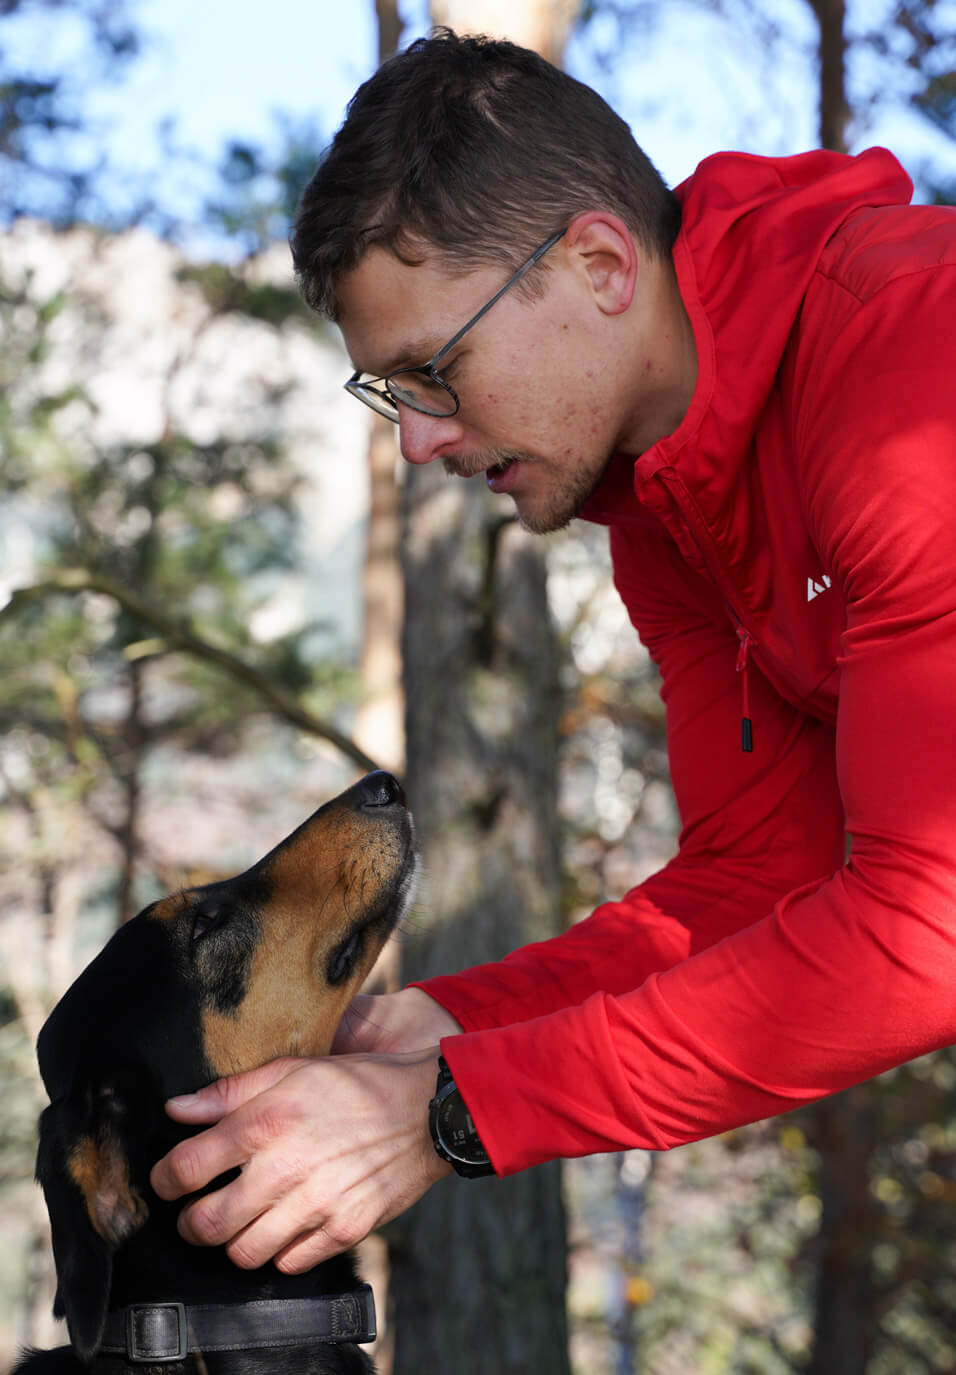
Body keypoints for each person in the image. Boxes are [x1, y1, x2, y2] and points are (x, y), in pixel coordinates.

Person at [150, 29, 956, 1275]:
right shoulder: (664, 505)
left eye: (435, 370)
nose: (418, 445)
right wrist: (446, 1025)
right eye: (390, 394)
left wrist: (448, 1114)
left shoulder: (909, 359)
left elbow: (925, 926)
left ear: (597, 263)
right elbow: (757, 874)